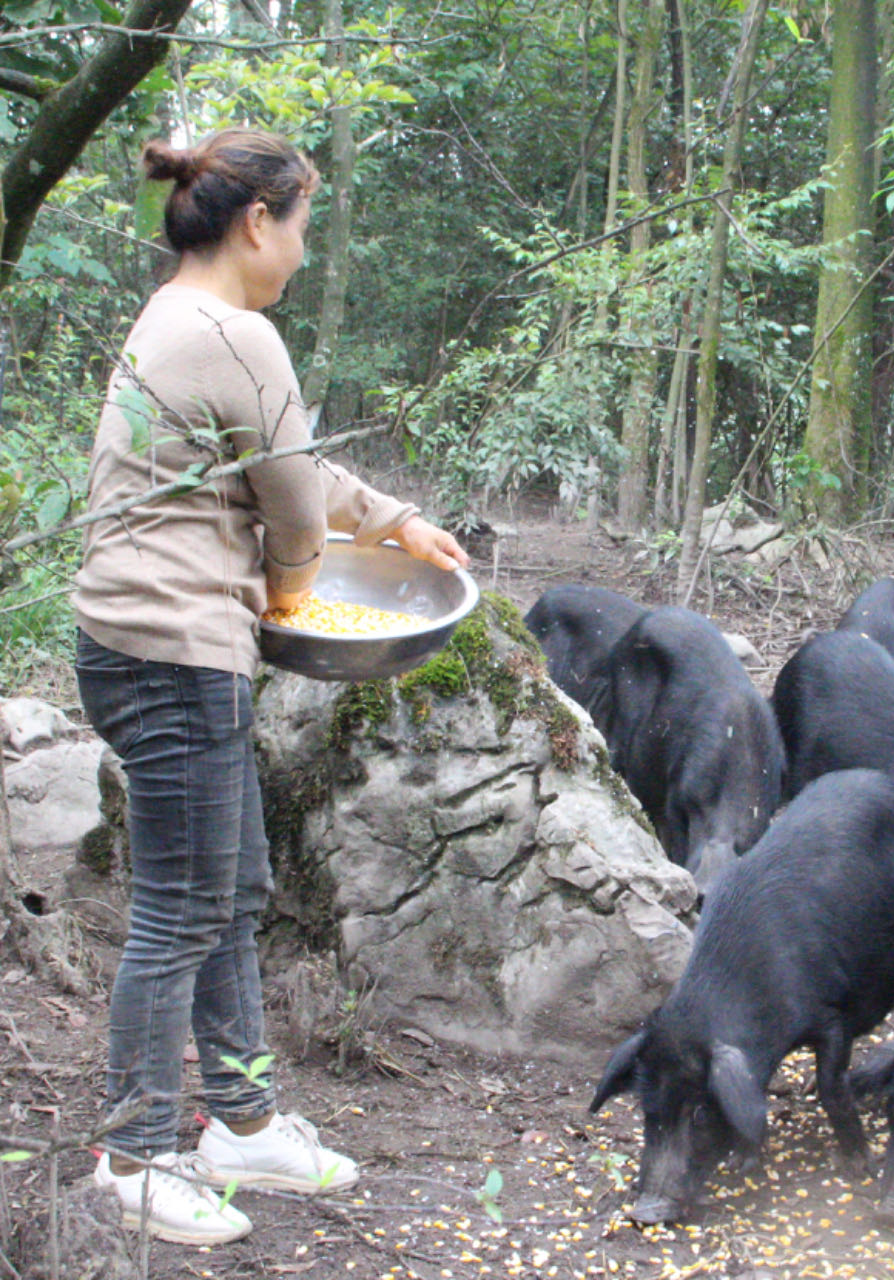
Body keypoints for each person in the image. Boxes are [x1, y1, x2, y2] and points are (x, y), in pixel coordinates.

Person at [72, 129, 470, 1245]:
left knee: (232, 884)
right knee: (180, 905)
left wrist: (393, 521)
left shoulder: (177, 316)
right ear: (260, 222)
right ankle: (136, 1149)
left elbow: (287, 461)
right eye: (302, 227)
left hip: (142, 643)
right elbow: (292, 514)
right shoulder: (238, 333)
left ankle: (238, 1120)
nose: (301, 250)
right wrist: (294, 591)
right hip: (171, 651)